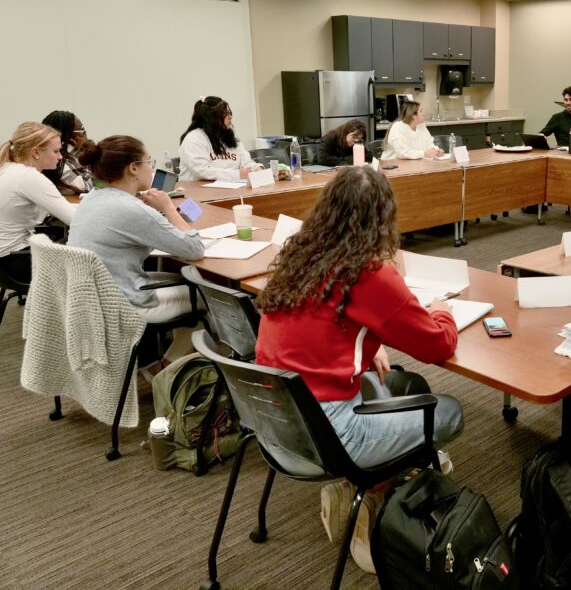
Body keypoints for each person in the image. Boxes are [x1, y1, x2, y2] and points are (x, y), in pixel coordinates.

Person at [255, 166, 463, 571]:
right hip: (331, 434)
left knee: (398, 379)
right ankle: (371, 493)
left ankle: (372, 482)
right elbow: (438, 345)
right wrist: (442, 310)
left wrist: (368, 345)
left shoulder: (301, 255)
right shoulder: (367, 273)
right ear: (384, 218)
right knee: (449, 410)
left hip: (274, 419)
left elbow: (317, 329)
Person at [68, 136, 205, 362]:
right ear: (133, 168)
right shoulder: (130, 209)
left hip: (96, 295)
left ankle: (166, 365)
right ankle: (171, 369)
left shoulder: (93, 197)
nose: (152, 168)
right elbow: (195, 249)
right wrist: (169, 208)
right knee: (209, 295)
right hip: (126, 301)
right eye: (149, 162)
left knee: (182, 277)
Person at [0, 122, 76, 282]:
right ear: (36, 152)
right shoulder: (28, 177)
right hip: (17, 263)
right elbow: (76, 220)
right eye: (56, 151)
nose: (61, 156)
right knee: (93, 259)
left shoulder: (4, 169)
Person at [178, 96, 261, 181]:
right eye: (225, 114)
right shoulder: (194, 139)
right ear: (212, 118)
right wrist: (237, 174)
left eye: (229, 113)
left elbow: (246, 162)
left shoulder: (230, 138)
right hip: (198, 192)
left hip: (231, 190)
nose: (230, 117)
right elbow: (202, 171)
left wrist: (256, 168)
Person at [41, 110, 93, 193]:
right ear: (72, 138)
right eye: (82, 129)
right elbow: (88, 187)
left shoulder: (73, 155)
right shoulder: (60, 162)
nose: (85, 133)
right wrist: (87, 156)